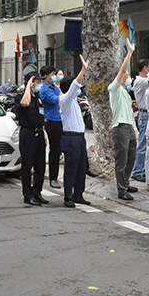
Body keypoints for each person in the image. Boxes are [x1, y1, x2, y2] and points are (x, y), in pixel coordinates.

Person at [58, 56, 92, 208]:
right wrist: (83, 69)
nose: (79, 89)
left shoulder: (75, 101)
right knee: (71, 168)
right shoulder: (65, 99)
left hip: (79, 137)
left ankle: (78, 194)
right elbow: (74, 86)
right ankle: (68, 196)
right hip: (70, 138)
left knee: (81, 167)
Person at [108, 39, 139, 201]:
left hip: (129, 127)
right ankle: (121, 189)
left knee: (131, 157)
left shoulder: (125, 92)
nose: (128, 77)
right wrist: (130, 53)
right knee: (122, 160)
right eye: (126, 75)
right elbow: (122, 70)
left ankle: (126, 183)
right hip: (120, 128)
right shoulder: (114, 88)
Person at [15, 70, 50, 207]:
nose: (39, 84)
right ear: (31, 82)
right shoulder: (21, 97)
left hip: (39, 133)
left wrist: (43, 133)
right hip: (27, 134)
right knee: (27, 166)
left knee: (40, 166)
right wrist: (28, 86)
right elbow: (24, 104)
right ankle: (27, 195)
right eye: (37, 81)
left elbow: (40, 116)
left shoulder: (38, 97)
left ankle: (37, 192)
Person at [39, 65, 64, 190]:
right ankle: (53, 178)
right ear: (45, 76)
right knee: (55, 150)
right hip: (52, 122)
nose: (54, 76)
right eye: (52, 74)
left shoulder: (54, 87)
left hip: (61, 120)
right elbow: (57, 100)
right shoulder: (44, 90)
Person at [130, 58, 149, 183]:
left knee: (147, 144)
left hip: (148, 114)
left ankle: (143, 170)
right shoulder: (141, 81)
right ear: (145, 68)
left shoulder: (144, 81)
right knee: (143, 144)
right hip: (144, 115)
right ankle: (137, 171)